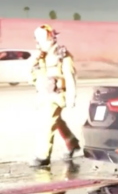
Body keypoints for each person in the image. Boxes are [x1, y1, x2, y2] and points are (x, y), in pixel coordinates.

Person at [29, 24, 80, 167]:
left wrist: (71, 98)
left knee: (47, 123)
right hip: (45, 94)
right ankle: (72, 143)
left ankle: (43, 156)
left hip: (57, 95)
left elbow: (70, 76)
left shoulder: (62, 55)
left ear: (50, 39)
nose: (38, 43)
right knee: (56, 122)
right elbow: (34, 74)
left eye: (40, 40)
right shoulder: (41, 56)